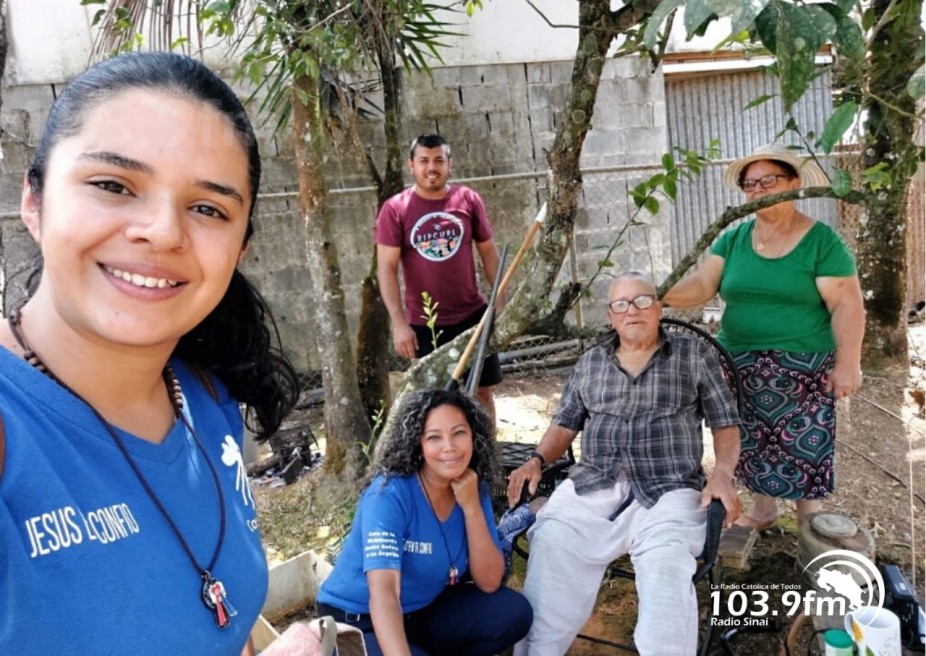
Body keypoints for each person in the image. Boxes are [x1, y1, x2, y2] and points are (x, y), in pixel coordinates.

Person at [0, 52, 300, 655]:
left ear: (240, 247)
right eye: (113, 185)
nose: (162, 232)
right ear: (34, 201)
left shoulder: (208, 396)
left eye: (208, 208)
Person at [506, 272, 742, 656]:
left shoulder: (693, 355)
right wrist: (536, 459)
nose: (632, 310)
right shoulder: (590, 362)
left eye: (642, 301)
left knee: (667, 564)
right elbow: (564, 424)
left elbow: (725, 422)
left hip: (671, 487)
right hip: (593, 483)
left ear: (659, 307)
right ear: (611, 316)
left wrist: (722, 476)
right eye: (621, 304)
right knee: (552, 540)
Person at [663, 142, 865, 530]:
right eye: (749, 184)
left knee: (804, 442)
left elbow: (847, 304)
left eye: (767, 181)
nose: (756, 191)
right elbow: (702, 286)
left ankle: (810, 525)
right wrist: (655, 295)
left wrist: (848, 364)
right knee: (751, 437)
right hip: (737, 358)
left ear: (793, 182)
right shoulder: (734, 239)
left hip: (803, 361)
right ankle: (764, 510)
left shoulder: (822, 241)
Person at [316, 388, 533, 656]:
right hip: (354, 620)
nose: (449, 447)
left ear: (474, 436)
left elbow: (489, 582)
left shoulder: (474, 487)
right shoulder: (388, 496)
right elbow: (384, 595)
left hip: (420, 611)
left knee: (513, 613)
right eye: (434, 437)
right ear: (417, 444)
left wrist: (472, 507)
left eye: (459, 433)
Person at [376, 134, 503, 421]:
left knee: (482, 393)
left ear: (449, 164)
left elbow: (489, 254)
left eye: (438, 160)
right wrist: (398, 324)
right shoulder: (396, 209)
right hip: (425, 324)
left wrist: (501, 304)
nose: (431, 167)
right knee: (433, 401)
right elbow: (386, 268)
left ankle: (486, 460)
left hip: (473, 317)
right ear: (411, 165)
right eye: (424, 161)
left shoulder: (467, 200)